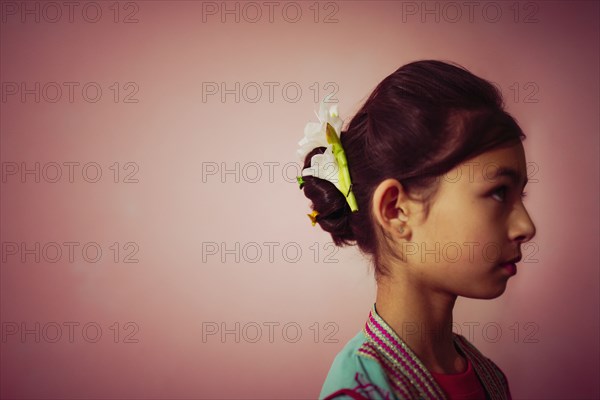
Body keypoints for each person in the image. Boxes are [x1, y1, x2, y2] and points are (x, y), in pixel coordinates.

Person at [296, 60, 536, 400]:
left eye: (520, 195)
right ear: (396, 210)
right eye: (499, 192)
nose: (527, 227)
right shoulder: (358, 393)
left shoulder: (489, 376)